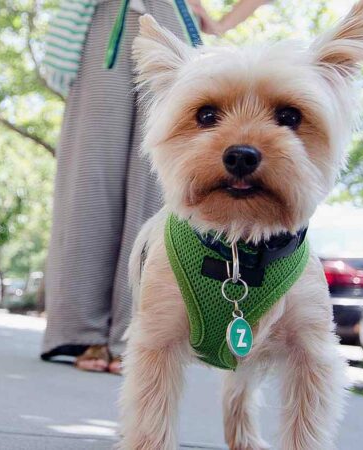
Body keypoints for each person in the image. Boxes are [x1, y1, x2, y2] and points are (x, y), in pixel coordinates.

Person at [40, 0, 271, 374]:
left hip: (171, 20)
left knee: (160, 176)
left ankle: (138, 334)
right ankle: (82, 331)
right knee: (89, 172)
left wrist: (222, 21)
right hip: (105, 20)